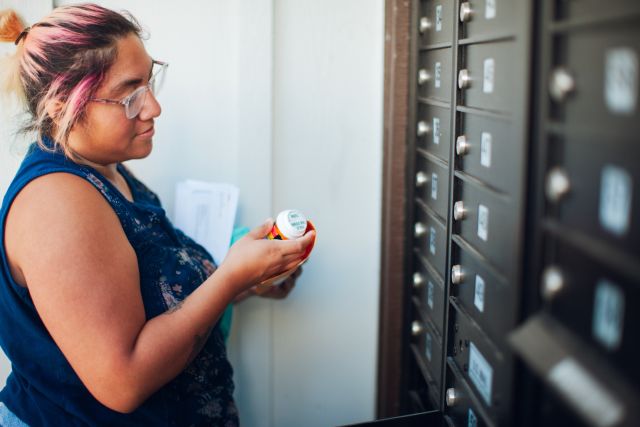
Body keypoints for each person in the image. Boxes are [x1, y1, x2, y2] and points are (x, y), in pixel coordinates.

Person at [0, 4, 314, 426]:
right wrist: (230, 278)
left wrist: (249, 281)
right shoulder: (55, 205)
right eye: (130, 94)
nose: (152, 108)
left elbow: (154, 297)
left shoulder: (106, 168)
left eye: (150, 81)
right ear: (61, 105)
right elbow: (124, 382)